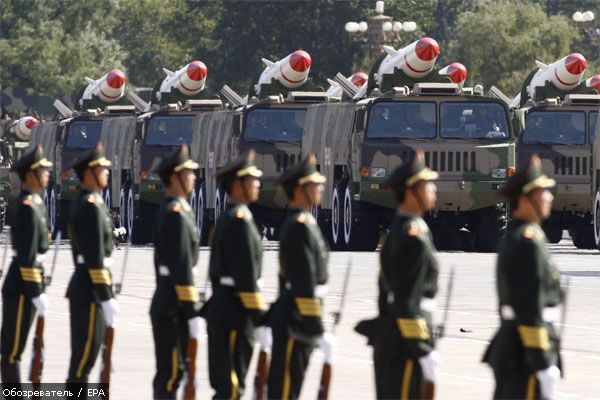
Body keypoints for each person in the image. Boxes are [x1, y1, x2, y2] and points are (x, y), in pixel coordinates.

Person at [355, 149, 441, 399]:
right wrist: (422, 349)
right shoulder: (412, 236)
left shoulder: (402, 231)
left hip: (396, 340)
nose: (433, 190)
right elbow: (405, 301)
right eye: (428, 185)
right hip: (406, 345)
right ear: (413, 191)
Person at [483, 154, 562, 400]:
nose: (549, 197)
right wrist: (541, 361)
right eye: (543, 192)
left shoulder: (519, 237)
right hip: (525, 355)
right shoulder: (527, 243)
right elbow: (528, 308)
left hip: (516, 348)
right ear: (527, 198)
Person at [202, 149, 269, 399]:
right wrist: (260, 319)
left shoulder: (231, 218)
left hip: (226, 309)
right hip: (235, 313)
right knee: (231, 389)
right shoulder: (240, 222)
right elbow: (246, 280)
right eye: (252, 180)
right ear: (238, 184)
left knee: (230, 388)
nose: (257, 185)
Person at [266, 154, 333, 400]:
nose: (321, 188)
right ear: (300, 189)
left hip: (297, 316)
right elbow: (303, 282)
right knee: (285, 391)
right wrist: (316, 326)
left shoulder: (304, 223)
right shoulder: (299, 226)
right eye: (315, 184)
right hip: (296, 320)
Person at [66, 143, 119, 390]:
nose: (107, 172)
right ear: (89, 173)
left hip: (90, 289)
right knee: (84, 360)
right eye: (102, 168)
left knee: (86, 359)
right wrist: (106, 296)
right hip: (90, 291)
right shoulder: (90, 206)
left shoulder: (91, 202)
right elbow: (95, 258)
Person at [151, 144, 201, 399]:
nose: (194, 177)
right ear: (175, 178)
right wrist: (191, 310)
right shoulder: (175, 214)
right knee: (170, 375)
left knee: (174, 373)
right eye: (188, 173)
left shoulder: (177, 210)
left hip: (171, 302)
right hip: (173, 305)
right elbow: (181, 268)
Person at [0, 146, 52, 388]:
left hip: (25, 284)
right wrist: (36, 292)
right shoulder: (28, 207)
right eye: (43, 170)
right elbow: (27, 257)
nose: (47, 174)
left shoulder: (36, 204)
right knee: (12, 352)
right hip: (21, 287)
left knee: (13, 349)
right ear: (31, 174)